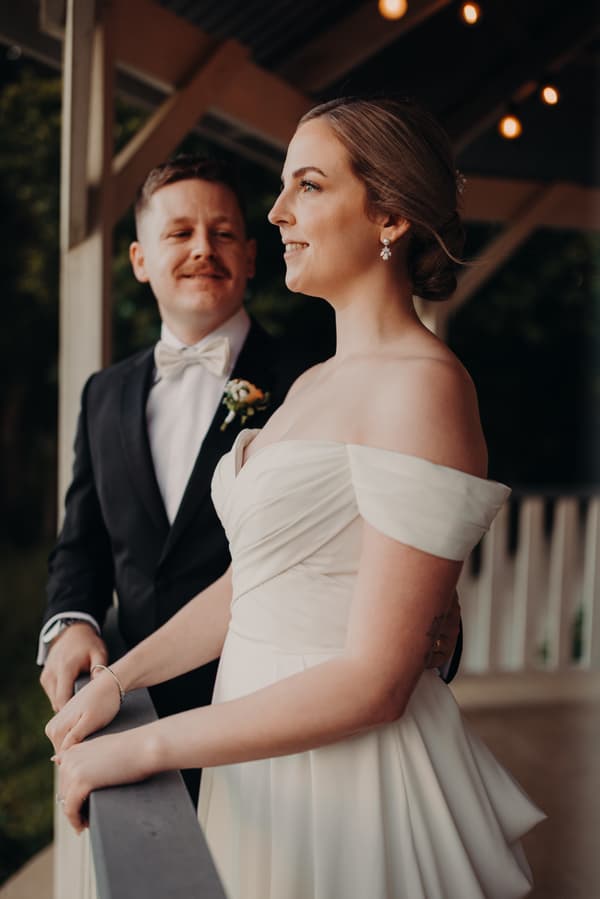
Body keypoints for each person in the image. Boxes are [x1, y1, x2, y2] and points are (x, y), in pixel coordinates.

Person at [46, 97, 543, 899]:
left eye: (307, 185)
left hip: (347, 777)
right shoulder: (313, 383)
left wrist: (141, 745)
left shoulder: (425, 387)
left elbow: (377, 682)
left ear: (390, 215)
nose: (275, 212)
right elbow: (250, 583)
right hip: (257, 766)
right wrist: (118, 680)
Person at [39, 153, 462, 805]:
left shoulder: (317, 379)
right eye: (180, 232)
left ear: (252, 255)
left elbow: (393, 552)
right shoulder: (104, 393)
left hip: (286, 715)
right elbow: (83, 542)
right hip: (134, 700)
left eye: (223, 232)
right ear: (140, 260)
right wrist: (70, 623)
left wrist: (435, 620)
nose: (202, 249)